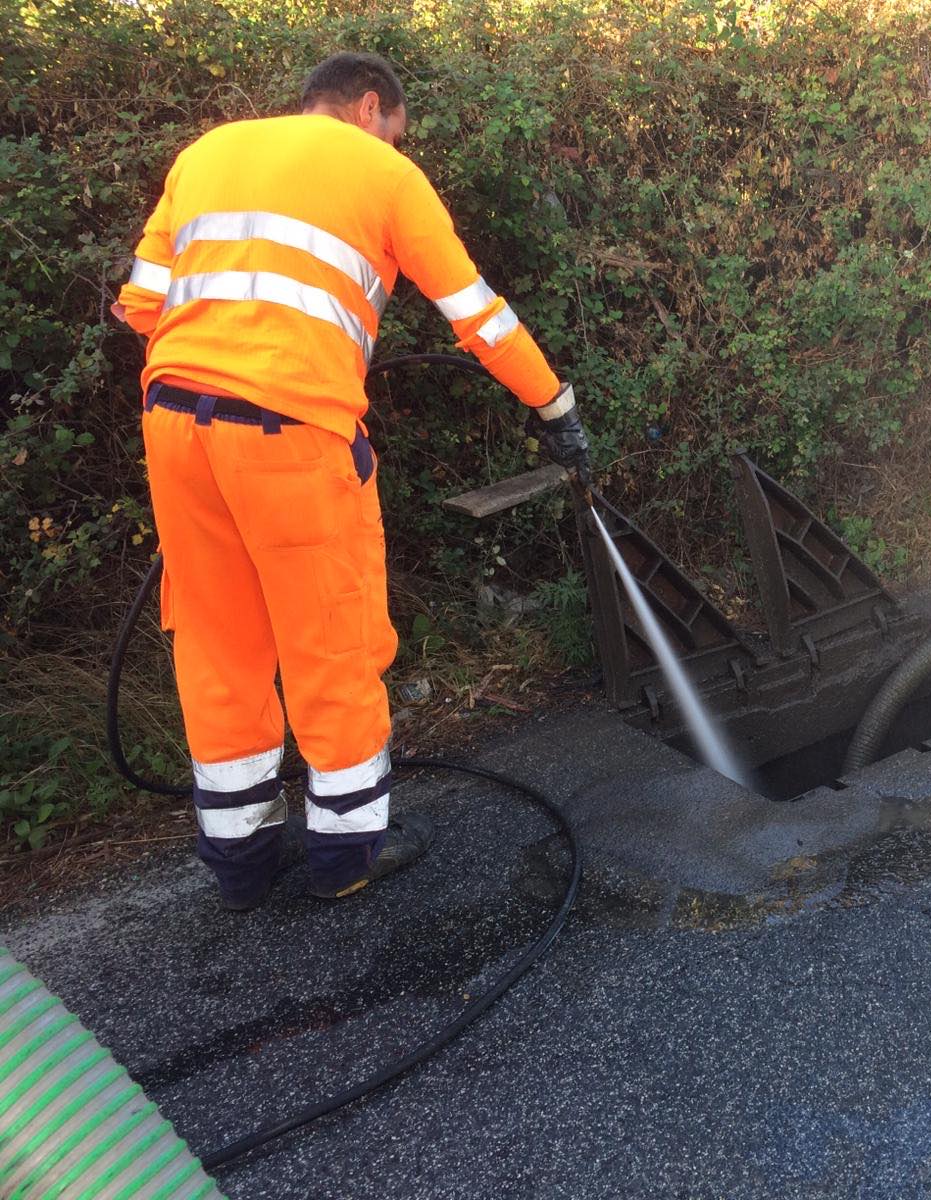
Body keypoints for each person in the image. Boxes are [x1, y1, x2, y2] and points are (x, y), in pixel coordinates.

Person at [114, 52, 592, 910]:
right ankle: (344, 856)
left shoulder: (206, 153)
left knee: (219, 645)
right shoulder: (384, 173)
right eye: (397, 129)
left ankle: (242, 867)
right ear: (371, 108)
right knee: (330, 638)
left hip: (174, 426)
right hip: (292, 433)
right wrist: (555, 407)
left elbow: (143, 305)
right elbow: (477, 315)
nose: (397, 143)